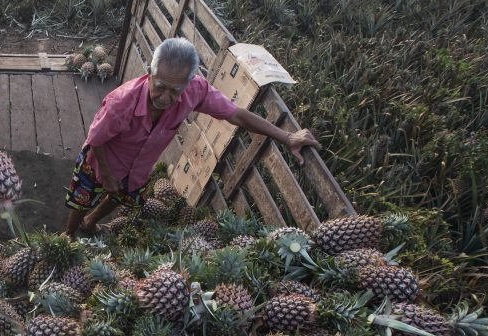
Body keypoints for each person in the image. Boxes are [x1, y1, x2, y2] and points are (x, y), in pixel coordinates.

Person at [64, 37, 321, 237]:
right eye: (160, 86)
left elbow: (238, 115)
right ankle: (69, 233)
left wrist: (287, 137)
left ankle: (91, 222)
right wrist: (107, 174)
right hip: (103, 162)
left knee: (122, 196)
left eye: (175, 91)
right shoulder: (121, 103)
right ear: (150, 74)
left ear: (189, 83)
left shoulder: (196, 91)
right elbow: (96, 138)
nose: (165, 98)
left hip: (137, 170)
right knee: (82, 199)